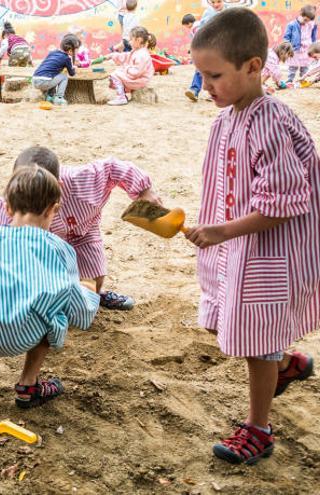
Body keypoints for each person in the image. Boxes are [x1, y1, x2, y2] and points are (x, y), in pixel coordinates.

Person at [187, 8, 318, 464]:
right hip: (242, 249)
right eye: (201, 75)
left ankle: (259, 429)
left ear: (253, 66)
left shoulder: (271, 122)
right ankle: (287, 365)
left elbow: (282, 204)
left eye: (215, 75)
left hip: (270, 253)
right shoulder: (225, 120)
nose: (206, 87)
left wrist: (221, 231)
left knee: (257, 339)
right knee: (251, 329)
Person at [0, 167, 100, 408]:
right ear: (52, 210)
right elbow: (73, 303)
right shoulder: (58, 249)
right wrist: (89, 291)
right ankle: (28, 385)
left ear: (8, 209)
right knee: (52, 314)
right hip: (23, 336)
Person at [0, 146, 161, 310]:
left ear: (58, 185)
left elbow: (112, 167)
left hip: (82, 230)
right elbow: (5, 244)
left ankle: (97, 294)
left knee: (93, 280)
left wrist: (144, 190)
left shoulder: (82, 181)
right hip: (37, 240)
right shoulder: (9, 200)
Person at [185, 0, 225, 101]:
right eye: (213, 2)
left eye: (218, 1)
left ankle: (215, 93)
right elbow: (202, 28)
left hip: (222, 48)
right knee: (201, 68)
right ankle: (194, 90)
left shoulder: (229, 13)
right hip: (207, 45)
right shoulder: (209, 12)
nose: (215, 4)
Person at [107, 26, 153, 105]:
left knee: (115, 75)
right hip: (139, 78)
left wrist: (127, 68)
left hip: (140, 80)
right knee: (119, 71)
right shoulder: (138, 51)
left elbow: (137, 72)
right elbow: (126, 56)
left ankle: (121, 97)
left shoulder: (142, 55)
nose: (129, 42)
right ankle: (122, 95)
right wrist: (113, 55)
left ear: (138, 40)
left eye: (131, 39)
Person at [31, 34, 79, 106]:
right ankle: (59, 97)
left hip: (34, 79)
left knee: (54, 75)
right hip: (43, 82)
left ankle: (50, 97)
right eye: (74, 50)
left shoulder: (53, 52)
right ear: (70, 51)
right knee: (64, 77)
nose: (75, 52)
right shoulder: (67, 58)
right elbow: (72, 73)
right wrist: (74, 68)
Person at [283, 5, 317, 83]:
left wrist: (313, 46)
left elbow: (313, 36)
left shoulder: (311, 25)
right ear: (301, 14)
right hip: (295, 49)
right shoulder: (292, 25)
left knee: (305, 66)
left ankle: (302, 80)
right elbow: (286, 37)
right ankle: (290, 80)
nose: (306, 22)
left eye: (308, 21)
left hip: (307, 49)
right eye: (305, 20)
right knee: (293, 66)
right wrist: (287, 47)